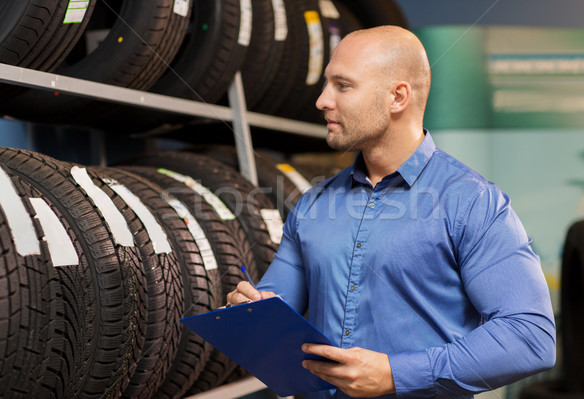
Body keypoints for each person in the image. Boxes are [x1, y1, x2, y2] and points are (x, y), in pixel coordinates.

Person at [227, 25, 556, 398]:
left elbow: (530, 337)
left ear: (397, 97)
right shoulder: (312, 205)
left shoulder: (472, 202)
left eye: (343, 85)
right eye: (325, 84)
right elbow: (277, 302)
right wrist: (253, 310)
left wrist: (395, 374)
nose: (322, 100)